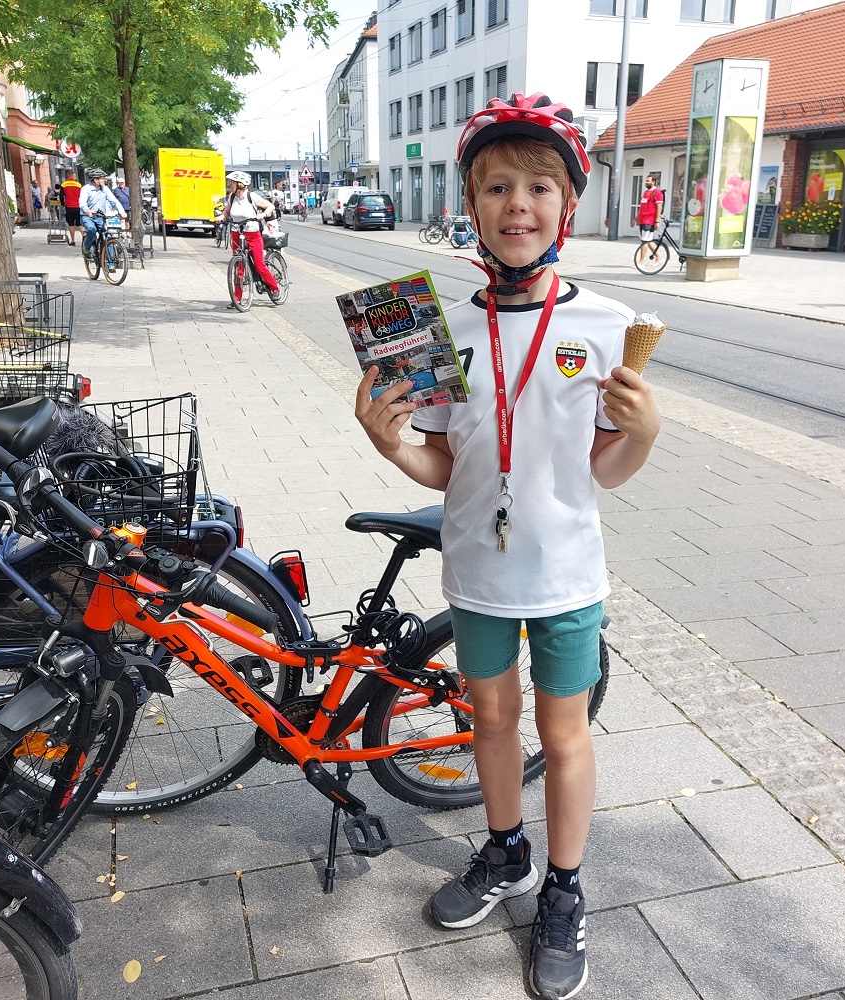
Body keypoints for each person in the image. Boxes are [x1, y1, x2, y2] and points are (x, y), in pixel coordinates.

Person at [354, 92, 660, 1000]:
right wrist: (393, 443)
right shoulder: (439, 334)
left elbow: (605, 470)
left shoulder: (604, 328)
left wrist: (642, 432)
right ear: (472, 204)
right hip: (478, 573)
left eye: (538, 186)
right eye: (496, 186)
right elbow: (446, 465)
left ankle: (564, 888)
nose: (517, 203)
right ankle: (507, 851)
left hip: (567, 576)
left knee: (563, 738)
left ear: (568, 206)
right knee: (491, 720)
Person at [221, 171, 280, 297]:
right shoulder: (232, 197)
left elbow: (270, 207)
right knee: (238, 267)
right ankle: (237, 298)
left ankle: (274, 288)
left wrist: (263, 214)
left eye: (232, 182)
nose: (229, 184)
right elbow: (227, 211)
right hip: (236, 233)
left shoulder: (251, 196)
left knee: (259, 265)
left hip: (252, 234)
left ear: (240, 184)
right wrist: (221, 216)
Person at [79, 168, 127, 259]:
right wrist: (87, 210)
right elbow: (82, 202)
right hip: (87, 216)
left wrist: (122, 211)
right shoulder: (86, 189)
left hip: (100, 216)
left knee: (108, 234)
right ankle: (86, 248)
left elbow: (114, 201)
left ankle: (110, 262)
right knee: (91, 229)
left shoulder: (105, 189)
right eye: (102, 178)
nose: (104, 180)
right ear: (95, 180)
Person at [632, 173, 664, 267]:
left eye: (647, 181)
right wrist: (635, 219)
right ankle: (658, 257)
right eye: (646, 181)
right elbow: (641, 207)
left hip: (649, 220)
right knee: (647, 240)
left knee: (644, 241)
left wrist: (657, 221)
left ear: (653, 182)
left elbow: (659, 207)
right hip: (643, 220)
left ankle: (641, 262)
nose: (645, 182)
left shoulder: (657, 192)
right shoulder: (646, 193)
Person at [60, 170, 82, 246]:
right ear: (72, 176)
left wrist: (63, 204)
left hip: (69, 207)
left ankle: (73, 241)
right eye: (75, 176)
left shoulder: (64, 185)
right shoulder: (78, 185)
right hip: (78, 206)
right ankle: (85, 238)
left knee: (71, 224)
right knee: (79, 224)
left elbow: (61, 196)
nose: (76, 177)